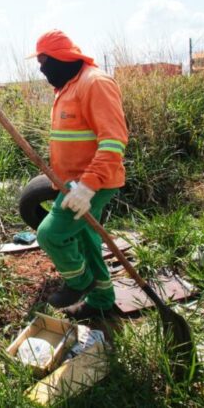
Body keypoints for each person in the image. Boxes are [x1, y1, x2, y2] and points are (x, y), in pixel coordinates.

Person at [29, 29, 128, 319]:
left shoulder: (95, 83)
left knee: (50, 234)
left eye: (44, 61)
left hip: (92, 183)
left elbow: (114, 140)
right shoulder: (67, 87)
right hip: (70, 183)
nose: (41, 69)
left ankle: (80, 281)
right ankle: (102, 301)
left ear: (61, 58)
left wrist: (87, 187)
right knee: (87, 240)